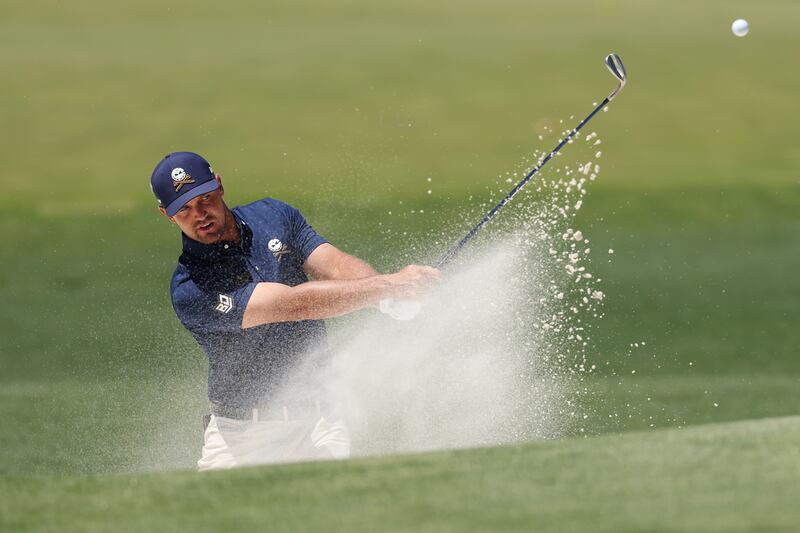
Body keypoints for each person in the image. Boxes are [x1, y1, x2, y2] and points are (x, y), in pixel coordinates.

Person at [150, 151, 440, 471]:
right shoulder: (191, 287)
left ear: (219, 185)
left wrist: (385, 295)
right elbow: (291, 305)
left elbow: (334, 264)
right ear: (167, 214)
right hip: (243, 437)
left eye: (204, 198)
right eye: (185, 209)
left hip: (319, 421)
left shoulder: (274, 215)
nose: (200, 214)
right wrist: (389, 288)